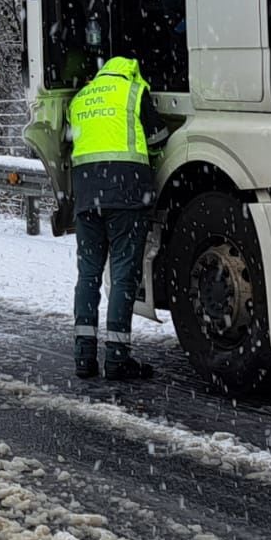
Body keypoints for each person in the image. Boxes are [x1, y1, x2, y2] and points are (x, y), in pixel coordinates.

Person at [67, 54, 163, 381]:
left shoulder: (83, 97)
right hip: (126, 195)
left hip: (85, 197)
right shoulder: (134, 91)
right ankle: (117, 359)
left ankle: (84, 358)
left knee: (89, 274)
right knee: (123, 276)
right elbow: (157, 139)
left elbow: (70, 144)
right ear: (131, 71)